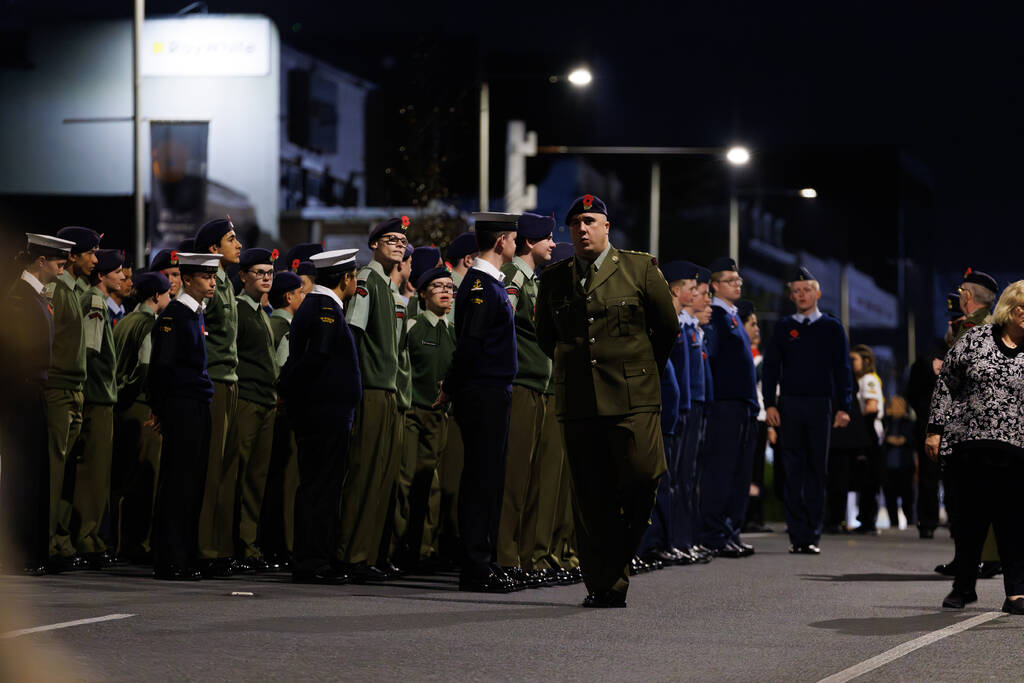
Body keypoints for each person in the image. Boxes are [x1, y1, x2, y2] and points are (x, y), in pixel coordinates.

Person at [535, 194, 678, 607]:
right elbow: (548, 335)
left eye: (590, 221)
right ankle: (605, 584)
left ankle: (617, 554)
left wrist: (641, 369)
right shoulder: (555, 277)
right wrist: (575, 370)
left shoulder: (639, 268)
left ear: (606, 227)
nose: (582, 229)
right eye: (576, 223)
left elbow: (665, 328)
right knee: (590, 494)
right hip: (579, 400)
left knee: (644, 475)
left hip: (634, 396)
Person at [926, 280, 1024, 614]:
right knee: (971, 520)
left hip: (1017, 449)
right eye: (1021, 308)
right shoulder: (974, 339)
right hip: (970, 444)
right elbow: (945, 385)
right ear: (1010, 310)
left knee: (1014, 522)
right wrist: (934, 430)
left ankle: (1016, 593)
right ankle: (963, 587)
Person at [435, 212, 520, 593]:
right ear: (501, 242)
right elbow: (469, 346)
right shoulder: (481, 286)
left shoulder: (488, 283)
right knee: (481, 479)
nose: (516, 245)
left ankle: (485, 561)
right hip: (482, 390)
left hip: (490, 389)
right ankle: (475, 566)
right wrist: (451, 386)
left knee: (489, 479)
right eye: (514, 239)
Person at [278, 249, 362, 584]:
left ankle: (315, 557)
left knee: (319, 485)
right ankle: (312, 561)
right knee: (320, 487)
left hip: (320, 411)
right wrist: (289, 387)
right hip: (324, 413)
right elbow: (317, 357)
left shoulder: (318, 305)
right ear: (346, 278)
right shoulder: (326, 308)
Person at [336, 217, 408, 581]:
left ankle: (373, 553)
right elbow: (355, 333)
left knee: (383, 476)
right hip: (371, 389)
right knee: (364, 473)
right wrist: (355, 385)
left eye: (402, 240)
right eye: (390, 239)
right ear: (375, 245)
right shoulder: (368, 280)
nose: (398, 244)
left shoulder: (390, 287)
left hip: (389, 389)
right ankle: (354, 554)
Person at [762, 267, 852, 554]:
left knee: (817, 469)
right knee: (792, 470)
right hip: (789, 404)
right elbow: (771, 369)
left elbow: (843, 370)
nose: (802, 295)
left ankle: (812, 534)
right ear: (791, 295)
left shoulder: (832, 327)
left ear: (818, 293)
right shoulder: (782, 327)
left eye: (807, 289)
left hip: (820, 406)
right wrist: (770, 404)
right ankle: (797, 535)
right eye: (797, 290)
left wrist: (844, 406)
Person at [0, 233, 74, 576]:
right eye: (59, 262)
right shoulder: (19, 297)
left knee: (37, 473)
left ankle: (34, 552)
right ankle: (21, 553)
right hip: (21, 394)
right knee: (24, 475)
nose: (63, 268)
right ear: (40, 261)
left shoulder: (35, 295)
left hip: (36, 390)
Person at [147, 252, 220, 580]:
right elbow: (162, 368)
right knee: (178, 483)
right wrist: (161, 409)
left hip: (197, 404)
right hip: (182, 406)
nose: (212, 283)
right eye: (206, 277)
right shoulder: (174, 316)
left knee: (194, 483)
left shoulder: (194, 315)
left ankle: (186, 554)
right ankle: (170, 558)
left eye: (214, 277)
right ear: (188, 280)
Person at [496, 212, 555, 587]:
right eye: (547, 237)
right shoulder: (515, 278)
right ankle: (506, 556)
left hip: (536, 385)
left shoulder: (530, 279)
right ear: (530, 242)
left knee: (532, 477)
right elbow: (506, 325)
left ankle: (525, 557)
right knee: (515, 476)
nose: (553, 243)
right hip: (521, 384)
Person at [44, 226, 100, 571]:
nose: (96, 259)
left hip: (75, 387)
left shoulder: (75, 289)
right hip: (59, 385)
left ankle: (61, 538)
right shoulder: (56, 289)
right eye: (90, 253)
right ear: (71, 257)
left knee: (65, 472)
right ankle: (47, 540)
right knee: (53, 468)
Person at [395, 266, 456, 570]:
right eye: (438, 287)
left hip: (440, 416)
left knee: (433, 484)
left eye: (449, 287)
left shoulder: (454, 332)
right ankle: (399, 546)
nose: (446, 292)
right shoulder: (412, 327)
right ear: (422, 294)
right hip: (412, 413)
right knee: (405, 480)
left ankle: (425, 548)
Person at [110, 271, 171, 563]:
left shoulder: (125, 321)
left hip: (121, 405)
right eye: (168, 293)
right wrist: (148, 397)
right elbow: (145, 367)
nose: (170, 298)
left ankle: (118, 541)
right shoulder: (148, 324)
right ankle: (135, 545)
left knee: (123, 478)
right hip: (140, 406)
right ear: (156, 296)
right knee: (144, 478)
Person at [193, 217, 243, 578]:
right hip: (214, 382)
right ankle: (203, 546)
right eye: (230, 239)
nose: (237, 245)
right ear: (213, 249)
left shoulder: (225, 283)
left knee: (227, 469)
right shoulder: (209, 287)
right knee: (209, 469)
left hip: (230, 381)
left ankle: (221, 546)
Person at [700, 256, 759, 558]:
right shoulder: (717, 318)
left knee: (739, 474)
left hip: (742, 406)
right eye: (730, 281)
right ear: (714, 286)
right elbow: (710, 361)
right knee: (720, 473)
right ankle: (714, 533)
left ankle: (730, 531)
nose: (737, 285)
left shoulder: (733, 316)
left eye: (738, 281)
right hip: (724, 405)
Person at [72, 248, 125, 567]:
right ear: (101, 276)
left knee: (96, 473)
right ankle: (87, 539)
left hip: (98, 396)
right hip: (97, 397)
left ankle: (88, 536)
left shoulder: (95, 299)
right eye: (117, 271)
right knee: (93, 473)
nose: (123, 276)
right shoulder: (94, 301)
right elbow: (90, 353)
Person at [230, 248, 280, 573]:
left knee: (256, 478)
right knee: (237, 473)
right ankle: (234, 544)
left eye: (270, 273)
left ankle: (249, 545)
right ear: (244, 276)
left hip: (265, 400)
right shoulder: (238, 310)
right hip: (246, 399)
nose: (265, 277)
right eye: (259, 272)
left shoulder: (262, 311)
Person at [258, 270, 304, 569]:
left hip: (270, 409)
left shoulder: (270, 322)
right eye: (300, 292)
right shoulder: (286, 327)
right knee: (287, 480)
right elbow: (283, 371)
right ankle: (284, 545)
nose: (304, 297)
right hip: (283, 410)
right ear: (288, 297)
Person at [850, 344, 884, 533]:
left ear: (867, 361)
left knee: (869, 478)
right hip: (865, 431)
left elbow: (871, 407)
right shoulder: (860, 380)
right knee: (864, 478)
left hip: (869, 432)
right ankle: (865, 518)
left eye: (854, 359)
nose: (851, 363)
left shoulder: (868, 379)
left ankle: (868, 519)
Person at [882, 395, 915, 530]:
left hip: (904, 465)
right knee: (890, 496)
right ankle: (893, 522)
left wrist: (896, 440)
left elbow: (908, 440)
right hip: (888, 466)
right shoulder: (885, 422)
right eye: (893, 404)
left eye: (898, 404)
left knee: (907, 495)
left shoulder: (909, 423)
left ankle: (911, 521)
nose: (895, 407)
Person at [951, 268, 997, 343]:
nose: (960, 294)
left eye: (961, 290)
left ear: (967, 295)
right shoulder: (993, 322)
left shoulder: (970, 324)